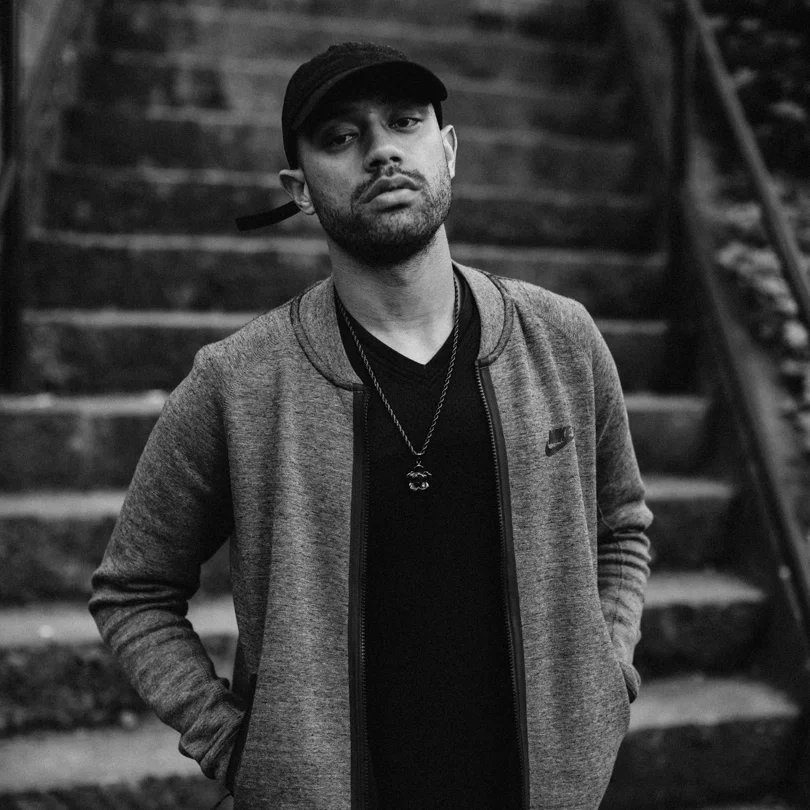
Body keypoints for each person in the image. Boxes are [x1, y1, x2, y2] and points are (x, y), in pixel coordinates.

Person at [89, 41, 653, 810]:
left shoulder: (559, 338)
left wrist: (605, 676)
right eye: (340, 137)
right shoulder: (238, 381)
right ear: (299, 188)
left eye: (404, 122)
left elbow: (621, 526)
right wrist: (238, 746)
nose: (382, 151)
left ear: (448, 149)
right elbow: (133, 591)